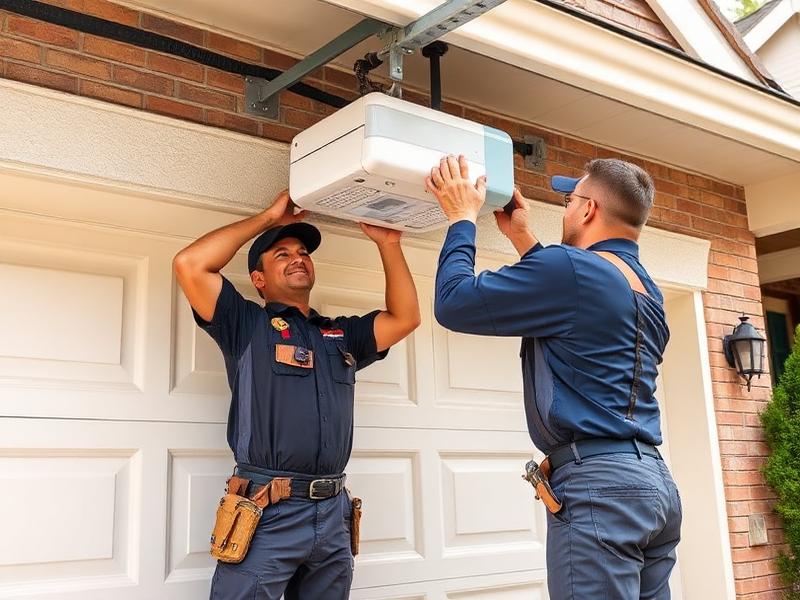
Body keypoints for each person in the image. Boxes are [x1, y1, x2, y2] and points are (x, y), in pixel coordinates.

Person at [425, 155, 682, 599]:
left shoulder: (570, 269)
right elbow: (576, 299)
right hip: (653, 485)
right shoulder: (647, 289)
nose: (565, 210)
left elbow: (454, 302)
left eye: (569, 200)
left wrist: (461, 217)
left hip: (601, 489)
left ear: (587, 210)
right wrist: (524, 240)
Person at [173, 190, 420, 600]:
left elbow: (405, 317)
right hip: (268, 509)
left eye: (303, 251)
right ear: (258, 279)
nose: (298, 258)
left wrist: (389, 244)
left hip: (333, 511)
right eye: (281, 254)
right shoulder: (246, 325)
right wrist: (269, 218)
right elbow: (190, 264)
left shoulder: (340, 334)